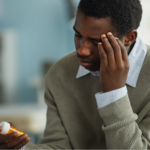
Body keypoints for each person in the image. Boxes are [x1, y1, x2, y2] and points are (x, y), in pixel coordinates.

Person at [1, 0, 150, 149]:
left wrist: (114, 94)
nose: (82, 50)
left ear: (129, 38)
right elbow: (58, 146)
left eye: (96, 41)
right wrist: (20, 147)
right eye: (78, 35)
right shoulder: (60, 73)